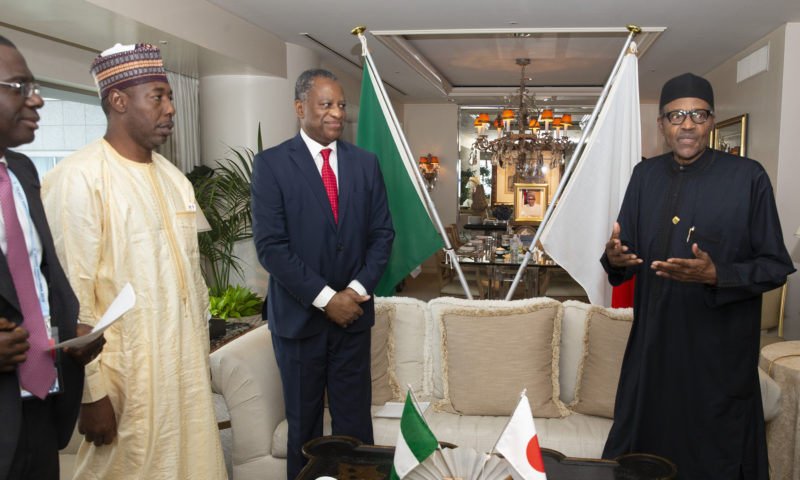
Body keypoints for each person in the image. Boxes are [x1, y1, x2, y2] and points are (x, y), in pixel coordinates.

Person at [41, 43, 226, 479]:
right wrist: (92, 395)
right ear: (118, 101)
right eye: (157, 96)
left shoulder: (174, 178)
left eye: (170, 97)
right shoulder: (78, 179)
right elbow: (72, 300)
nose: (171, 109)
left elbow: (191, 281)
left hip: (184, 372)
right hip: (128, 378)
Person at [601, 72, 795, 479]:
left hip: (717, 359)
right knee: (642, 457)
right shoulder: (644, 176)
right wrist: (615, 259)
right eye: (675, 116)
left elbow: (775, 265)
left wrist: (716, 274)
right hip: (653, 353)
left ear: (710, 120)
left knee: (712, 460)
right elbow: (625, 254)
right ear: (662, 124)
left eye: (697, 115)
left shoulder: (748, 178)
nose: (686, 124)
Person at [251, 69, 394, 479]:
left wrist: (352, 292)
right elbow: (271, 248)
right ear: (300, 109)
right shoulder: (272, 165)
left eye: (342, 105)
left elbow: (383, 235)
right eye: (326, 104)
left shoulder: (365, 164)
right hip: (298, 324)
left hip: (353, 318)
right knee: (305, 431)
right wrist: (326, 299)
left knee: (355, 430)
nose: (337, 113)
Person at [0, 34, 104, 479]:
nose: (37, 99)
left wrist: (69, 333)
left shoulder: (22, 172)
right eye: (19, 86)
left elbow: (38, 278)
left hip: (39, 404)